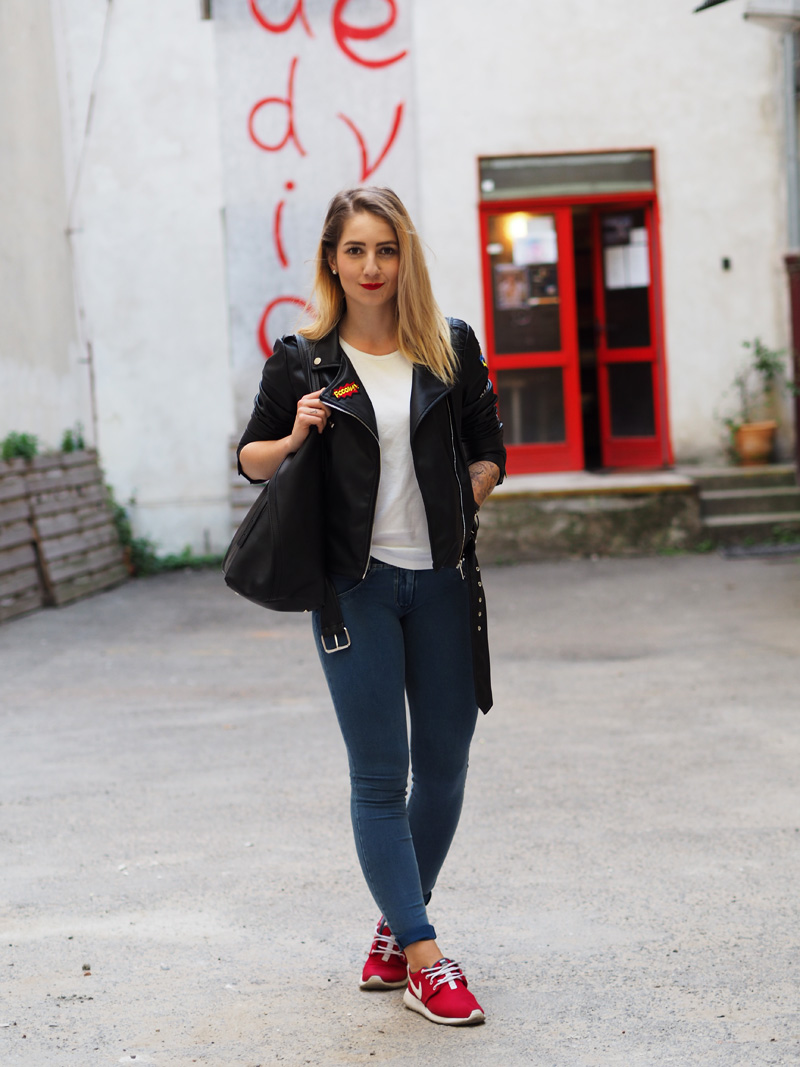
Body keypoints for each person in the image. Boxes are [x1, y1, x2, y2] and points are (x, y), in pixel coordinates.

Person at [237, 186, 505, 1027]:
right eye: (355, 249)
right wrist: (295, 434)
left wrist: (461, 494)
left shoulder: (449, 346)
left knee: (447, 764)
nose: (372, 266)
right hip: (353, 588)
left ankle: (395, 924)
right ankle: (424, 955)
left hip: (442, 581)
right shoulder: (303, 359)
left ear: (404, 256)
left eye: (386, 249)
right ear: (332, 259)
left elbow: (491, 451)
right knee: (382, 774)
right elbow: (250, 459)